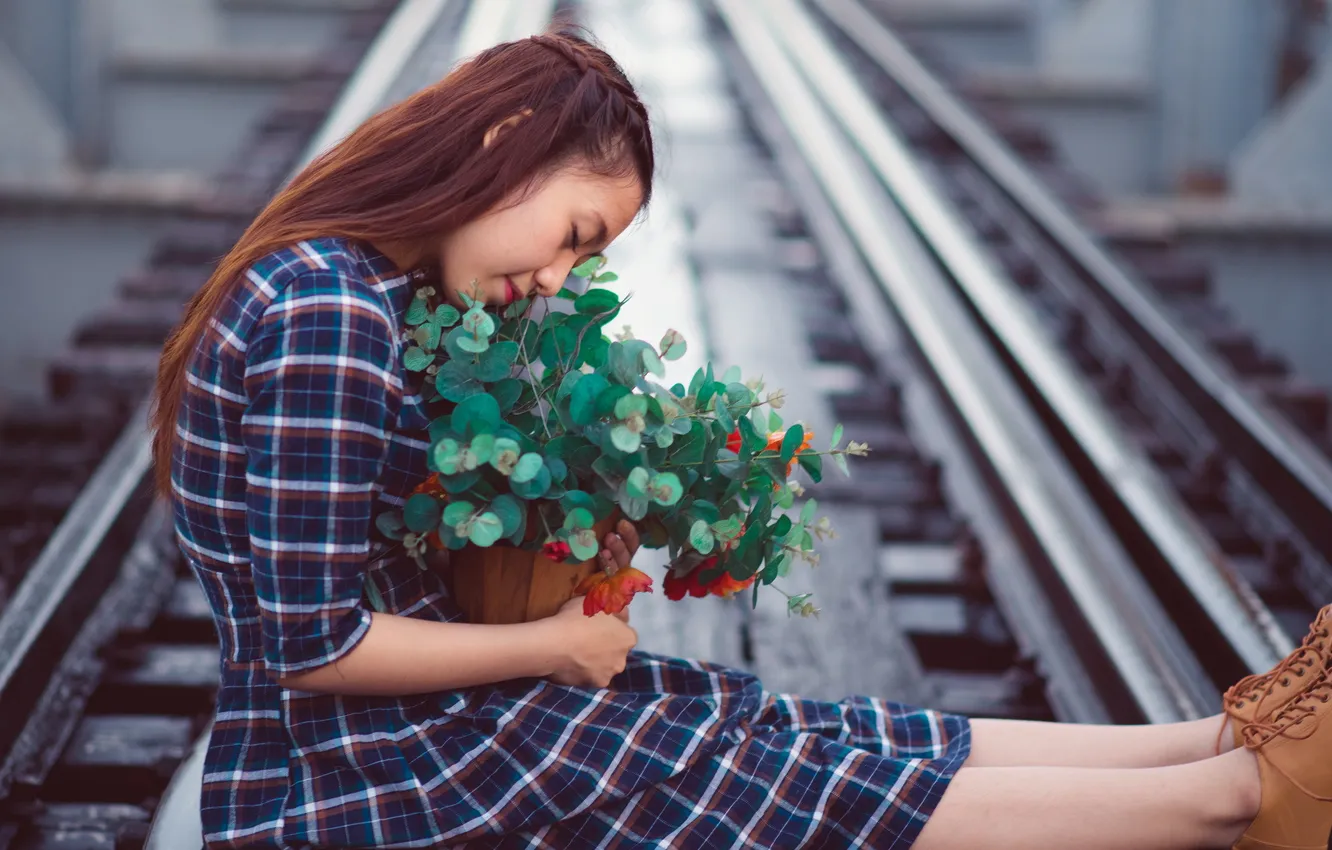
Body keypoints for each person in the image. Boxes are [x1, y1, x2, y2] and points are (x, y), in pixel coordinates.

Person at [150, 27, 1332, 850]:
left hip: (410, 741)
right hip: (339, 783)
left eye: (586, 257)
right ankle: (1232, 800)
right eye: (571, 232)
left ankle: (1216, 736)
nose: (558, 276)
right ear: (503, 137)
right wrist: (550, 650)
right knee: (743, 774)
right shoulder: (325, 308)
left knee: (762, 719)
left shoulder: (380, 298)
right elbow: (315, 645)